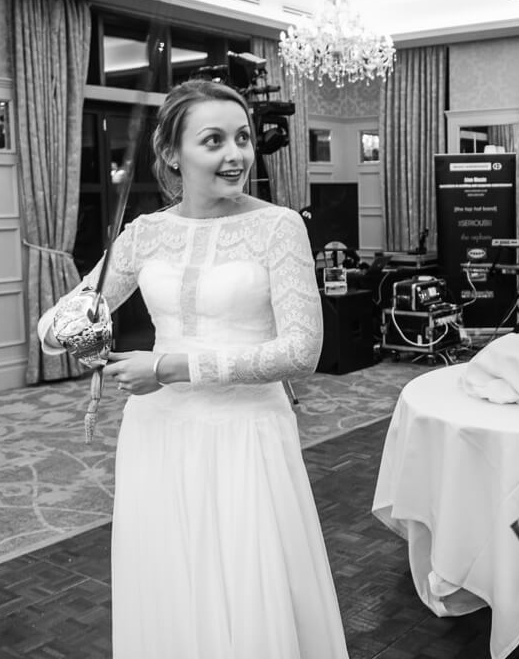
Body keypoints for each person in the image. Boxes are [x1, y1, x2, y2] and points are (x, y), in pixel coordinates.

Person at [38, 80, 349, 658]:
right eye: (214, 140)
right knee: (171, 570)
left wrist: (174, 367)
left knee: (246, 575)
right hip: (157, 433)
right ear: (173, 155)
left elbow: (302, 352)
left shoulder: (279, 227)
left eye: (242, 138)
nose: (235, 155)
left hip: (245, 433)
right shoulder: (146, 233)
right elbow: (67, 315)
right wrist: (68, 330)